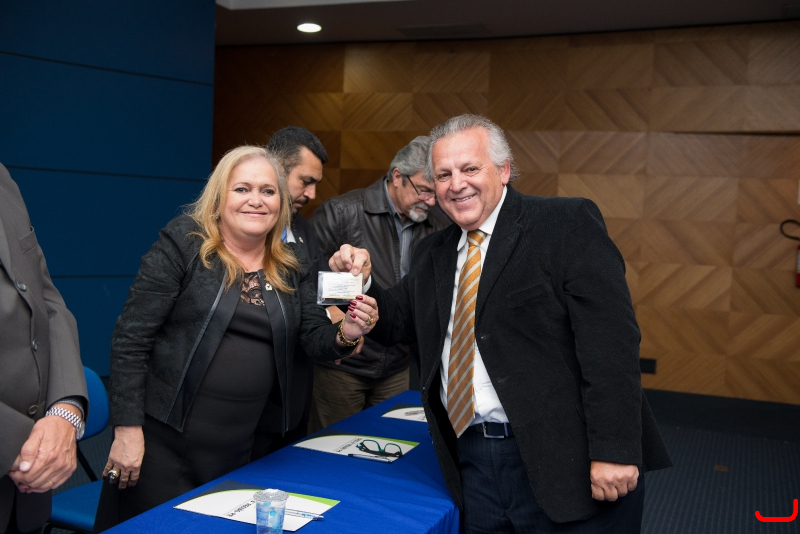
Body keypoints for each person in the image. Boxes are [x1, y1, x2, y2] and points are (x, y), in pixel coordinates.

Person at [330, 115, 672, 533]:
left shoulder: (564, 224)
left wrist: (615, 449)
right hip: (472, 461)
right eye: (443, 175)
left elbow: (611, 347)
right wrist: (358, 281)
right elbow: (397, 320)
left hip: (566, 459)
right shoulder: (432, 252)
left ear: (504, 170)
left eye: (470, 169)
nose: (457, 184)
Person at [102, 146, 378, 521]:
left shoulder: (291, 262)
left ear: (281, 203)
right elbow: (130, 340)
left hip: (246, 444)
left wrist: (346, 332)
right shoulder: (183, 244)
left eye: (268, 191)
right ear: (219, 197)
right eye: (242, 189)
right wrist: (127, 430)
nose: (256, 200)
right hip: (164, 443)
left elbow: (312, 337)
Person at [308, 136, 450, 432]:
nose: (431, 201)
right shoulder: (341, 212)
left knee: (391, 444)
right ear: (397, 176)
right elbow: (305, 279)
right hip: (345, 363)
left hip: (398, 365)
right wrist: (332, 315)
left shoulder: (437, 226)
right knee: (335, 443)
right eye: (424, 190)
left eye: (435, 193)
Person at [0, 163, 87, 534]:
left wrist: (65, 411)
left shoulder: (3, 179)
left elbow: (46, 300)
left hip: (29, 493)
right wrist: (14, 441)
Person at [244, 127, 328, 457]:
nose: (312, 194)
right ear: (277, 168)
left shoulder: (304, 228)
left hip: (293, 393)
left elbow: (317, 294)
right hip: (243, 398)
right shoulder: (241, 230)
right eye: (306, 181)